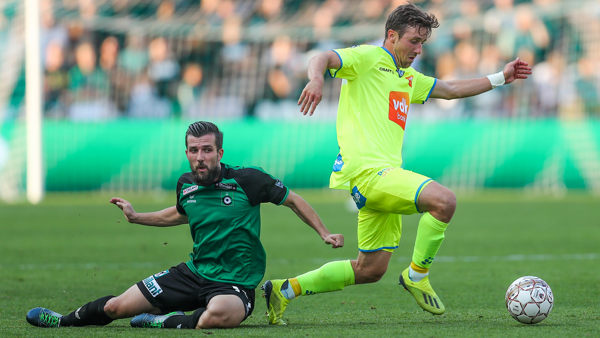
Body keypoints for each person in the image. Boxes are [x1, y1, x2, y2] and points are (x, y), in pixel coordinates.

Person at [262, 2, 531, 325]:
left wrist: (501, 77)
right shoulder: (367, 58)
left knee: (370, 270)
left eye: (422, 43)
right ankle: (417, 275)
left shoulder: (407, 77)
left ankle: (283, 290)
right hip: (369, 173)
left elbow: (449, 89)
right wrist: (317, 79)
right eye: (413, 41)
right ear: (391, 36)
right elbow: (321, 56)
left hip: (383, 177)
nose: (419, 49)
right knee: (444, 201)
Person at [26, 121, 344, 330]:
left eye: (207, 150)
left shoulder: (248, 180)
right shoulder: (186, 185)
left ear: (219, 152)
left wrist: (323, 232)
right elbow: (180, 214)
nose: (200, 157)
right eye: (194, 150)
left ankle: (161, 321)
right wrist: (138, 217)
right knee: (116, 306)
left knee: (219, 316)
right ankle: (62, 321)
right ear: (187, 153)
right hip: (192, 274)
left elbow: (293, 199)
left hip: (234, 283)